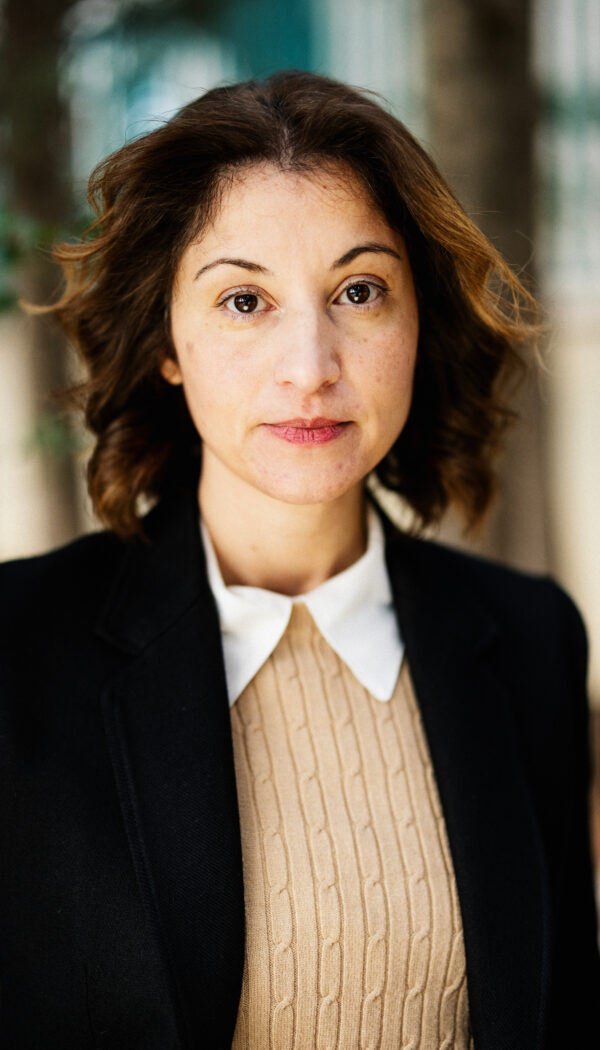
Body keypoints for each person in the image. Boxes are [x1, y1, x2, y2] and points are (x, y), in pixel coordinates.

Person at [0, 70, 598, 1050]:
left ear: (418, 320)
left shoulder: (531, 640)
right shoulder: (19, 648)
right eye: (244, 300)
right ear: (167, 342)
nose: (310, 366)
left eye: (359, 291)